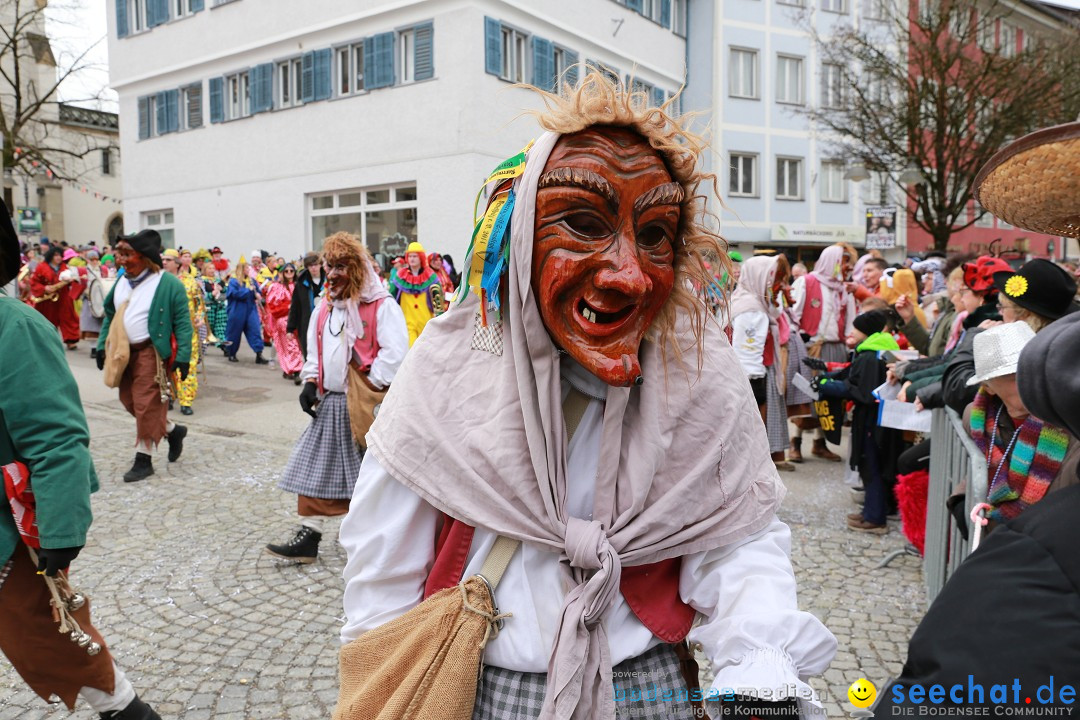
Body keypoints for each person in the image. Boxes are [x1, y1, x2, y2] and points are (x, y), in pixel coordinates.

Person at [338, 73, 835, 719]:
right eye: (581, 222)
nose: (629, 272)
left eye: (656, 234)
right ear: (518, 239)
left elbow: (737, 539)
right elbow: (383, 569)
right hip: (481, 690)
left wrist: (758, 669)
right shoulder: (450, 370)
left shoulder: (697, 374)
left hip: (647, 688)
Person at [0, 201, 163, 720]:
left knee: (58, 644)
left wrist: (60, 527)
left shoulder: (13, 328)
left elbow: (56, 437)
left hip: (4, 541)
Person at [266, 233, 407, 563]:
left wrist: (367, 383)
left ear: (357, 269)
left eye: (341, 267)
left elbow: (396, 354)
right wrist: (311, 382)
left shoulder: (381, 307)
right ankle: (309, 534)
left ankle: (379, 537)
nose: (331, 275)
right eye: (329, 267)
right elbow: (316, 349)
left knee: (373, 477)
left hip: (367, 407)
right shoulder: (324, 309)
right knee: (316, 465)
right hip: (331, 404)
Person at [95, 231, 192, 483]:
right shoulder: (122, 281)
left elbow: (183, 323)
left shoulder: (168, 284)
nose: (121, 260)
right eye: (120, 254)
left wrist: (183, 356)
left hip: (151, 351)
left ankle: (143, 458)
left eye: (127, 254)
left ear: (145, 257)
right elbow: (110, 314)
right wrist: (100, 345)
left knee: (146, 402)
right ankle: (172, 430)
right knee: (129, 400)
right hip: (123, 352)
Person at [964, 322, 1079, 525]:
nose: (1028, 382)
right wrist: (959, 501)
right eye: (1013, 377)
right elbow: (980, 471)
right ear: (988, 386)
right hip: (1001, 536)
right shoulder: (977, 419)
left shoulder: (1069, 420)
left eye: (1033, 371)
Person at [789, 244, 855, 462]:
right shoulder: (806, 282)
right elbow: (793, 314)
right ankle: (795, 443)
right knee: (807, 395)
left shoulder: (845, 289)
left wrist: (848, 345)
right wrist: (800, 342)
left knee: (828, 397)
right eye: (844, 261)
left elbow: (850, 321)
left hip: (836, 347)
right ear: (832, 261)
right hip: (812, 347)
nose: (847, 266)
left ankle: (820, 443)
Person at [730, 255, 794, 471]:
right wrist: (756, 393)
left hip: (751, 372)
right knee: (751, 429)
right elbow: (746, 354)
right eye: (775, 278)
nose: (779, 285)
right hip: (752, 375)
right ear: (761, 278)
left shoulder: (749, 301)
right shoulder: (752, 309)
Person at [162, 249, 205, 416]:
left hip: (187, 331)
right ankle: (170, 395)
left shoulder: (190, 282)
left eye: (168, 259)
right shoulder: (159, 281)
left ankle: (186, 401)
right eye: (163, 259)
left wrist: (199, 317)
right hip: (166, 330)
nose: (164, 262)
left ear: (177, 263)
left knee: (188, 364)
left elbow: (199, 304)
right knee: (167, 364)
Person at [388, 240, 441, 346]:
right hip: (407, 321)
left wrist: (439, 316)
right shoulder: (400, 275)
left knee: (425, 348)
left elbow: (438, 298)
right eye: (410, 256)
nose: (412, 259)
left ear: (421, 258)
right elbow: (391, 295)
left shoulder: (430, 276)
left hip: (425, 319)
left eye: (415, 256)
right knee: (410, 349)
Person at [30, 245, 81, 350]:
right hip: (47, 299)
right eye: (56, 255)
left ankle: (71, 340)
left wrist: (70, 280)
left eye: (60, 255)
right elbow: (34, 282)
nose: (58, 258)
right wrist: (44, 288)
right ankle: (47, 340)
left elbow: (73, 282)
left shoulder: (65, 267)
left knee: (68, 318)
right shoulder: (41, 267)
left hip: (63, 297)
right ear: (51, 256)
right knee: (47, 319)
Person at [224, 259, 269, 364]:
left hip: (250, 309)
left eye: (248, 268)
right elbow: (234, 294)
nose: (248, 270)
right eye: (246, 268)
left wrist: (257, 294)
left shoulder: (252, 281)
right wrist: (248, 291)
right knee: (233, 332)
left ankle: (259, 354)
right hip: (237, 309)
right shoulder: (233, 281)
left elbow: (257, 291)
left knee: (255, 330)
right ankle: (231, 353)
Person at [265, 263, 304, 383]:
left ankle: (289, 370)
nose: (289, 274)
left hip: (300, 320)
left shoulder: (299, 286)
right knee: (291, 347)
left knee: (296, 347)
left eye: (291, 271)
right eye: (286, 271)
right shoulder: (276, 287)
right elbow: (273, 306)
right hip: (284, 321)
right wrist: (289, 307)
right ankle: (297, 371)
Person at [287, 251, 324, 359]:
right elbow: (295, 306)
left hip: (325, 322)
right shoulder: (301, 284)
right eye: (310, 266)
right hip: (307, 324)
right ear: (307, 267)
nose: (313, 268)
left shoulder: (329, 281)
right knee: (309, 355)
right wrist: (290, 328)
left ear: (320, 265)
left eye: (316, 265)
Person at [79, 249, 112, 359]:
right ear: (88, 260)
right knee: (91, 324)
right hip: (89, 300)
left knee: (103, 323)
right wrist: (85, 290)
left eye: (96, 259)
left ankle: (101, 347)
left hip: (101, 299)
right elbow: (76, 283)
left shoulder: (103, 270)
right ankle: (93, 348)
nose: (94, 261)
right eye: (92, 259)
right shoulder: (83, 271)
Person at [199, 262, 228, 350]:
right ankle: (203, 346)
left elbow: (225, 292)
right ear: (205, 270)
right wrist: (211, 294)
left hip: (219, 307)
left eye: (213, 268)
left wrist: (222, 289)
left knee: (220, 327)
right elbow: (201, 295)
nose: (212, 270)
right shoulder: (201, 281)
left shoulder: (218, 280)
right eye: (209, 268)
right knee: (208, 327)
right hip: (208, 308)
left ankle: (223, 346)